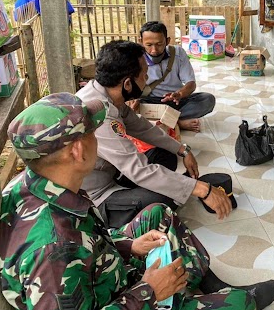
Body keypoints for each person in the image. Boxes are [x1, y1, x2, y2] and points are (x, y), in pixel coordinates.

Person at [0, 93, 274, 310]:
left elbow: (89, 242)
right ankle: (183, 300)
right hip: (119, 306)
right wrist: (149, 292)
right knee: (239, 306)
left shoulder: (35, 182)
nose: (98, 136)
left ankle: (193, 291)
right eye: (92, 132)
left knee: (158, 214)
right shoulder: (52, 249)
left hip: (106, 277)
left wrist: (127, 246)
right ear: (77, 151)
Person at [77, 40, 228, 229]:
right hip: (97, 195)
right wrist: (202, 190)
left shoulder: (108, 95)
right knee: (163, 201)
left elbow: (142, 127)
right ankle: (115, 214)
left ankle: (143, 192)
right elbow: (139, 170)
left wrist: (183, 149)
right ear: (127, 83)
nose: (147, 80)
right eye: (144, 75)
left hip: (114, 172)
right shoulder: (100, 115)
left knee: (166, 156)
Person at [137, 21, 215, 132]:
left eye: (159, 44)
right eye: (149, 45)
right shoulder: (136, 58)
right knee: (132, 106)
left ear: (167, 41)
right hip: (151, 102)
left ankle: (166, 121)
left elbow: (191, 83)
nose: (154, 50)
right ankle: (178, 123)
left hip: (176, 101)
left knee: (208, 99)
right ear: (141, 42)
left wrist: (179, 94)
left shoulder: (178, 53)